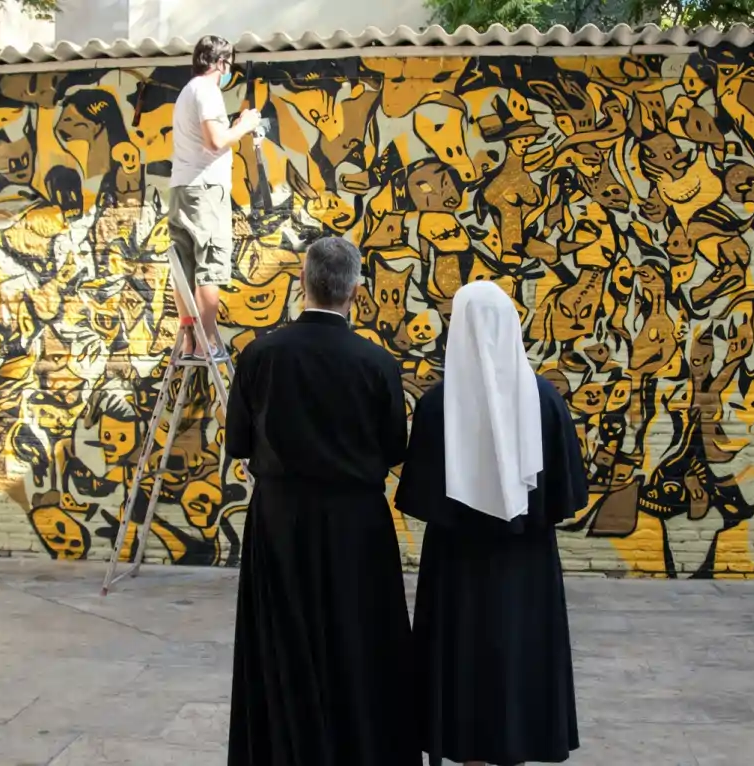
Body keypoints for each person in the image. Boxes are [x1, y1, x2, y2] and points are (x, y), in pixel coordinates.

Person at [224, 237, 419, 766]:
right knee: (358, 641)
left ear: (301, 283)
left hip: (279, 521)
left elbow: (238, 443)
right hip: (357, 523)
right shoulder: (377, 364)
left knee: (280, 642)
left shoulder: (260, 354)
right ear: (356, 290)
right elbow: (393, 450)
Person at [395, 280, 587, 766]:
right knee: (519, 656)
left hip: (457, 568)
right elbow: (568, 494)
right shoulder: (545, 399)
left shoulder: (438, 405)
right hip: (528, 564)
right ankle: (515, 749)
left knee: (461, 662)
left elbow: (417, 494)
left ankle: (469, 753)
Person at [169, 35, 259, 360]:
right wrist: (245, 125)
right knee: (209, 267)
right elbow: (216, 142)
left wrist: (231, 128)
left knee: (184, 266)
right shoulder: (207, 90)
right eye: (228, 65)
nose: (228, 72)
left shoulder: (186, 92)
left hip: (182, 188)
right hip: (206, 190)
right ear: (220, 63)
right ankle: (208, 341)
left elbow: (206, 138)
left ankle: (190, 339)